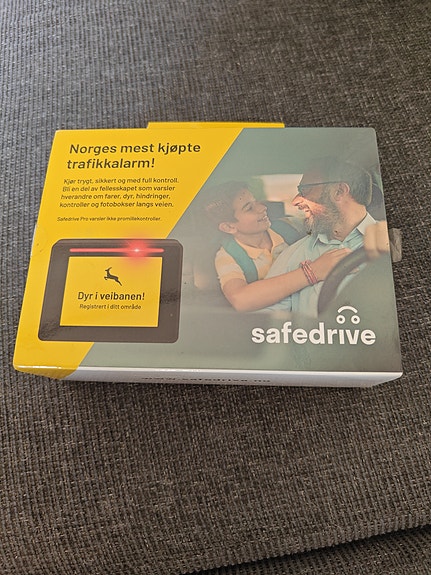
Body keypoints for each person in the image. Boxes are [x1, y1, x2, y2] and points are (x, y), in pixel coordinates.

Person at [265, 156, 386, 315]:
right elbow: (266, 321)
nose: (295, 201)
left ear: (339, 191)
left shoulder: (391, 246)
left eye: (305, 190)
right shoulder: (291, 256)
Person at [204, 181, 350, 312]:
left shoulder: (290, 227)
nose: (262, 208)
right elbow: (240, 299)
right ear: (229, 227)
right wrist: (313, 272)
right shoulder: (228, 256)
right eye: (249, 208)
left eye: (257, 202)